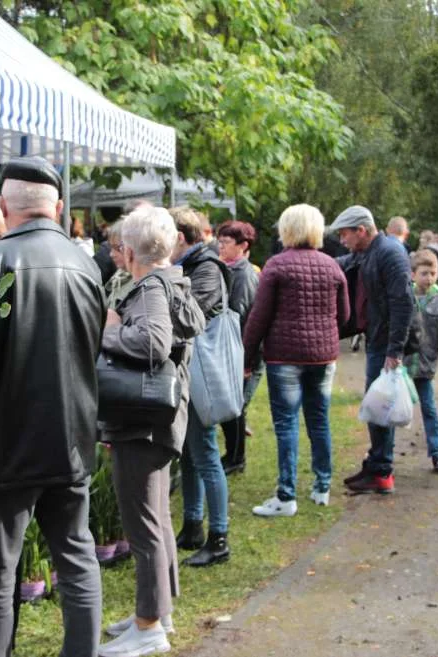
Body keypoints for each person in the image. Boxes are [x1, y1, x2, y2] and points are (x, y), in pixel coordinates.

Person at [0, 157, 105, 657]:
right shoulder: (87, 264)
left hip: (6, 445)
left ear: (2, 207)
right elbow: (92, 350)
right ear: (57, 208)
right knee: (77, 557)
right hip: (71, 439)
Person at [97, 206, 206, 657]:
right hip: (157, 420)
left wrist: (104, 332)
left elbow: (153, 343)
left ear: (130, 249)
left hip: (141, 424)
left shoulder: (149, 289)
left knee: (144, 526)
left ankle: (148, 626)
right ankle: (158, 611)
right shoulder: (172, 279)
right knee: (157, 522)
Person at [243, 205, 349, 516]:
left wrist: (246, 356)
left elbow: (258, 318)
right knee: (319, 420)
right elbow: (343, 316)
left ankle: (286, 496)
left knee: (287, 423)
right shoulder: (332, 266)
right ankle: (322, 487)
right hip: (323, 355)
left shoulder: (276, 266)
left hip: (284, 356)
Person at [333, 205, 414, 494]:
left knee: (381, 406)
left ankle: (382, 470)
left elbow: (403, 304)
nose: (343, 240)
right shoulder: (368, 251)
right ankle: (378, 463)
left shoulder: (389, 253)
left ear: (362, 231)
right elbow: (345, 261)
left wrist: (395, 351)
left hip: (386, 344)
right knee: (378, 404)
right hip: (377, 338)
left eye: (345, 234)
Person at [169, 206, 232, 567]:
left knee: (206, 453)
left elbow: (190, 316)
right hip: (190, 372)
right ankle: (193, 526)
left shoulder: (206, 267)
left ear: (180, 238)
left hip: (202, 374)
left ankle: (219, 537)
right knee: (190, 453)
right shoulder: (195, 265)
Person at [406, 249, 438, 472]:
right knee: (391, 411)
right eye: (424, 273)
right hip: (402, 366)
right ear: (413, 274)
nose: (428, 278)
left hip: (426, 367)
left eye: (433, 273)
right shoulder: (404, 298)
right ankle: (382, 455)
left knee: (430, 409)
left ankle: (436, 453)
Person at [216, 220, 260, 475]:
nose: (220, 246)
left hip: (242, 352)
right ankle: (232, 455)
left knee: (235, 408)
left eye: (226, 242)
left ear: (243, 246)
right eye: (219, 241)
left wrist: (245, 360)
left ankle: (236, 458)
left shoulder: (244, 275)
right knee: (230, 407)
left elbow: (240, 315)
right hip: (234, 350)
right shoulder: (229, 268)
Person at [104, 220, 134, 309]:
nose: (111, 254)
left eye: (117, 248)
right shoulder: (120, 276)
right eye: (111, 247)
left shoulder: (141, 283)